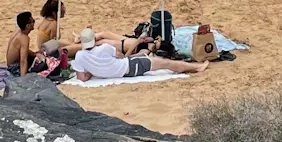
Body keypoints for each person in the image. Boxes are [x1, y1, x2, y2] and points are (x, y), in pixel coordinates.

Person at [68, 28, 206, 80]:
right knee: (165, 63)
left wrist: (92, 70)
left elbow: (82, 78)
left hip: (124, 66)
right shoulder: (104, 48)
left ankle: (193, 66)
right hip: (128, 67)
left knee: (157, 61)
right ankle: (196, 67)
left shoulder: (80, 56)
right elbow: (123, 57)